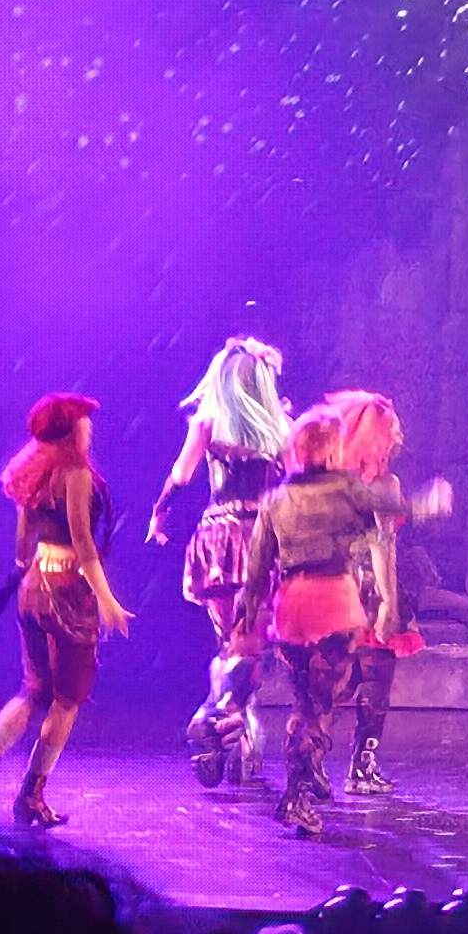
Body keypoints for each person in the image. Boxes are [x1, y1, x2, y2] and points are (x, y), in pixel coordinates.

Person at [0, 392, 131, 832]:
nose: (90, 427)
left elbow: (22, 548)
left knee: (34, 691)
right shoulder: (75, 474)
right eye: (84, 421)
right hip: (66, 591)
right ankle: (31, 796)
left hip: (33, 587)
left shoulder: (34, 471)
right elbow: (84, 543)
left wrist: (33, 571)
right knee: (66, 700)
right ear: (70, 430)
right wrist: (107, 599)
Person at [233, 400, 384, 838]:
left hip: (292, 605)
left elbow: (256, 566)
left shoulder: (275, 499)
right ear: (333, 448)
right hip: (333, 600)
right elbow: (379, 522)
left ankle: (308, 772)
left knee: (306, 702)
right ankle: (296, 794)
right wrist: (430, 502)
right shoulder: (345, 490)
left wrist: (248, 609)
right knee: (319, 708)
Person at [145, 333, 289, 790]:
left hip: (217, 538)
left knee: (231, 644)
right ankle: (212, 716)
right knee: (250, 646)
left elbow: (180, 476)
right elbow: (296, 484)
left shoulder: (208, 421)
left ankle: (234, 741)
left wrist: (159, 512)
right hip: (259, 539)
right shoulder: (281, 428)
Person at [328, 387, 452, 802]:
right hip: (365, 591)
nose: (399, 436)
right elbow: (382, 543)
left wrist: (419, 507)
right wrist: (388, 603)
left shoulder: (334, 482)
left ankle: (315, 763)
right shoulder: (382, 484)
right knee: (372, 677)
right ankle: (360, 768)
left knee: (343, 679)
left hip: (334, 587)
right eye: (392, 430)